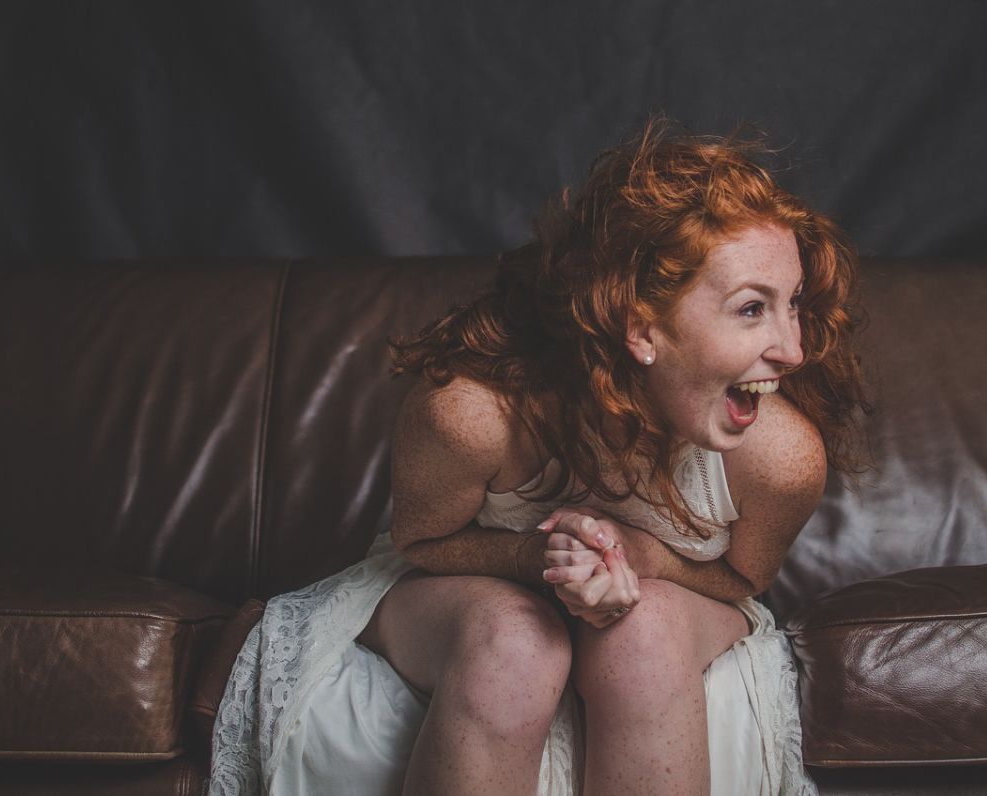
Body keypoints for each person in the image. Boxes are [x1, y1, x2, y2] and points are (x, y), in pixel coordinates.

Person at [210, 117, 868, 796]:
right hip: (455, 594)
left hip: (677, 605)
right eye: (753, 310)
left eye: (793, 304)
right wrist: (542, 562)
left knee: (643, 638)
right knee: (516, 642)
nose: (793, 349)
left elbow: (740, 579)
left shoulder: (782, 458)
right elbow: (420, 540)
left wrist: (637, 560)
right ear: (642, 328)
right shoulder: (470, 416)